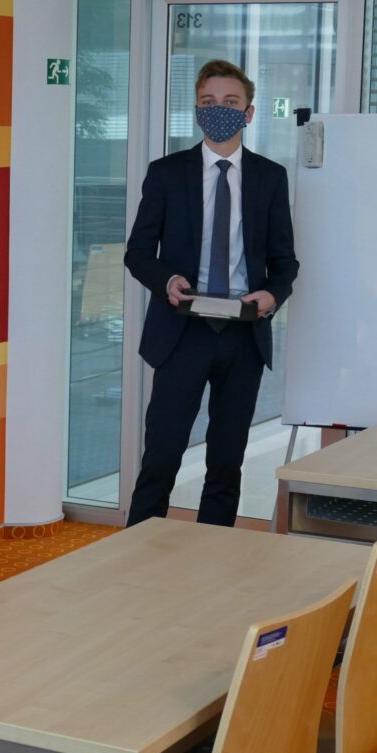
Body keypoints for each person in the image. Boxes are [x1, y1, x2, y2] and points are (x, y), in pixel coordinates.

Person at [123, 59, 298, 527]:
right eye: (208, 101)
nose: (218, 109)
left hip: (243, 334)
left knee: (226, 462)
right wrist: (167, 281)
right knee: (161, 456)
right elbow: (138, 252)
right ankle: (137, 551)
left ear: (249, 112)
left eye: (230, 101)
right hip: (182, 331)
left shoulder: (269, 177)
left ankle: (212, 554)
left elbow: (285, 262)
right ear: (197, 110)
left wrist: (272, 295)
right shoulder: (166, 173)